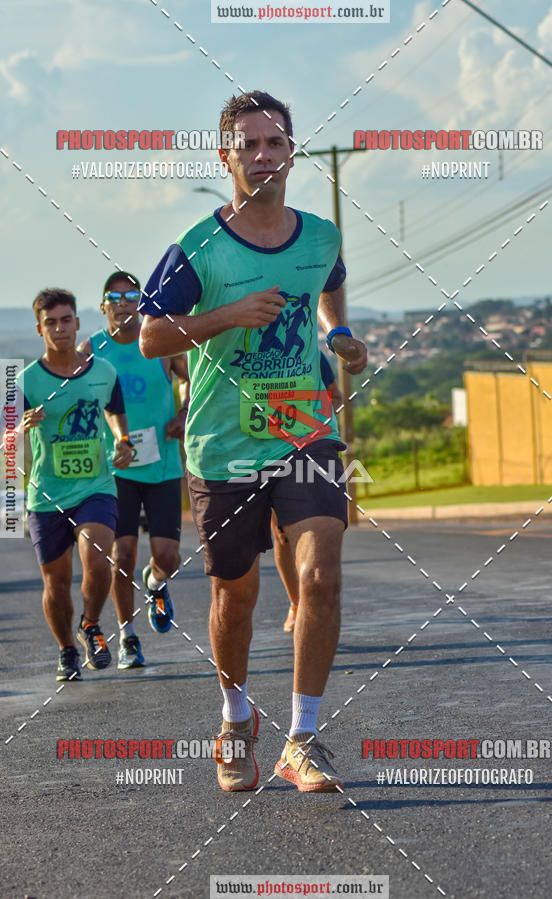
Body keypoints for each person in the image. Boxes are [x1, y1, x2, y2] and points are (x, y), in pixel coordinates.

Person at [139, 91, 367, 793]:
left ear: (293, 151)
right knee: (234, 597)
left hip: (306, 428)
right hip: (222, 444)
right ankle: (236, 717)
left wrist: (336, 334)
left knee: (322, 575)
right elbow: (150, 336)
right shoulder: (197, 247)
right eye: (249, 145)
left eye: (275, 143)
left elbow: (327, 286)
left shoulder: (322, 235)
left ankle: (303, 736)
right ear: (226, 156)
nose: (263, 156)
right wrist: (230, 314)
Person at [13, 288, 132, 681]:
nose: (59, 328)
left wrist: (123, 442)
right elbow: (4, 438)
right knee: (57, 582)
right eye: (51, 323)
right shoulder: (25, 381)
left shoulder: (103, 372)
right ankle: (66, 649)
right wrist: (19, 427)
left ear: (77, 323)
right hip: (46, 494)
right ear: (39, 329)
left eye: (66, 320)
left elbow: (115, 411)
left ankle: (92, 623)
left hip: (96, 486)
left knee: (98, 557)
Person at [79, 272, 189, 670]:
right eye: (115, 296)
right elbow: (80, 401)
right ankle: (127, 636)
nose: (124, 302)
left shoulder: (157, 340)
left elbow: (190, 378)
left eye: (131, 295)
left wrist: (183, 412)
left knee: (168, 555)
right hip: (116, 468)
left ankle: (157, 583)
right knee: (121, 554)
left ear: (140, 302)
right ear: (103, 305)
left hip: (162, 463)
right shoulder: (92, 348)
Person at [275, 352, 343, 633]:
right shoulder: (249, 351)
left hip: (308, 448)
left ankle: (310, 599)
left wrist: (314, 420)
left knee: (314, 525)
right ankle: (295, 603)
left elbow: (335, 396)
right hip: (261, 448)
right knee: (280, 534)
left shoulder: (312, 356)